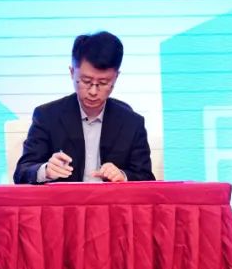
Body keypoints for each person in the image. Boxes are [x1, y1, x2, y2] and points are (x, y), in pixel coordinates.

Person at [14, 31, 154, 184]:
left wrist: (123, 176)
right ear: (72, 72)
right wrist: (46, 170)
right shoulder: (47, 116)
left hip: (112, 200)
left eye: (103, 83)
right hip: (65, 199)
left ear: (116, 78)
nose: (93, 91)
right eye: (86, 81)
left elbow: (146, 178)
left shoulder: (132, 123)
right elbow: (22, 172)